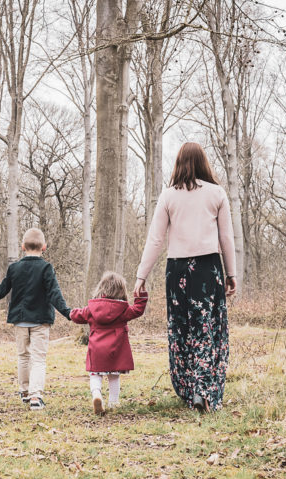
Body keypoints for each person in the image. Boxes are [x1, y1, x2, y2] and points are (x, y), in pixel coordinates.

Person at [133, 142, 237, 413]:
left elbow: (156, 240)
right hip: (208, 269)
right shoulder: (217, 193)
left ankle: (190, 388)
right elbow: (226, 237)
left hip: (177, 271)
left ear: (179, 164)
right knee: (207, 329)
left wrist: (141, 275)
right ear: (204, 163)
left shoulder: (168, 196)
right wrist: (231, 272)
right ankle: (204, 390)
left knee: (182, 330)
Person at [0, 228, 71, 410]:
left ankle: (25, 391)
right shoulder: (46, 268)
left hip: (20, 320)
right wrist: (68, 312)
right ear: (44, 247)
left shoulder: (15, 268)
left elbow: (1, 291)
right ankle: (35, 396)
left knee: (23, 356)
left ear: (22, 247)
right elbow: (54, 295)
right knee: (38, 358)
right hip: (40, 320)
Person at [70, 272, 148, 415]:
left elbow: (77, 315)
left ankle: (97, 395)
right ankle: (113, 402)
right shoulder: (123, 309)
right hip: (116, 350)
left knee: (95, 375)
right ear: (121, 290)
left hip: (97, 349)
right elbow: (138, 310)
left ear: (101, 288)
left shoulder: (91, 309)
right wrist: (140, 295)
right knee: (114, 375)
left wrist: (71, 312)